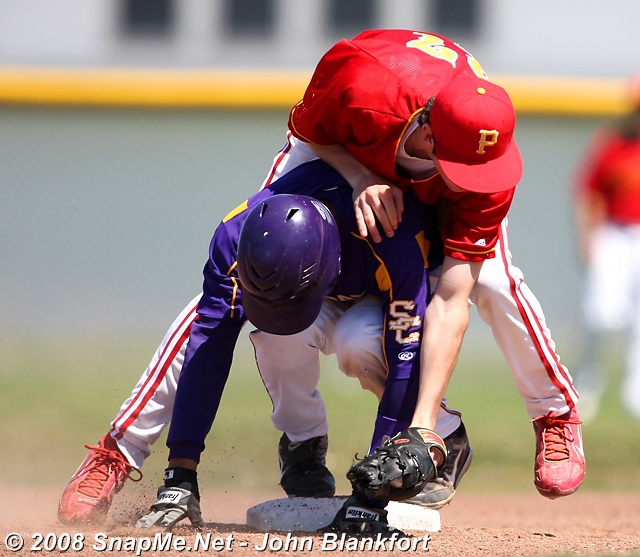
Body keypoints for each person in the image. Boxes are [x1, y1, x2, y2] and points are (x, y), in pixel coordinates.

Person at [58, 160, 466, 529]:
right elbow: (209, 347)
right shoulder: (234, 238)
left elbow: (405, 358)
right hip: (329, 283)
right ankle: (304, 446)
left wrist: (370, 498)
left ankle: (444, 435)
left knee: (358, 340)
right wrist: (180, 475)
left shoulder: (391, 235)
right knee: (276, 334)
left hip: (383, 288)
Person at [267, 28, 584, 501]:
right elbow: (311, 132)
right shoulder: (363, 84)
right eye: (463, 165)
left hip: (424, 187)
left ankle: (554, 413)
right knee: (326, 322)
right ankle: (320, 441)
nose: (475, 179)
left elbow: (451, 300)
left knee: (494, 282)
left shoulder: (485, 156)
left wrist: (421, 426)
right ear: (429, 134)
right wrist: (360, 176)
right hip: (365, 149)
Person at [572, 76, 640, 422]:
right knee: (600, 313)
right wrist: (588, 238)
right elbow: (590, 193)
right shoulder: (615, 143)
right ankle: (587, 382)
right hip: (615, 234)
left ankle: (635, 391)